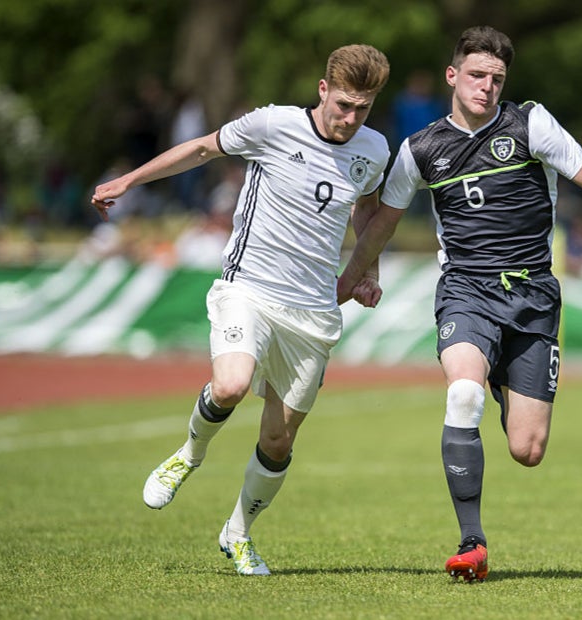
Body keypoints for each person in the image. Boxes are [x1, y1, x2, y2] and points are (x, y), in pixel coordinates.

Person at [337, 26, 582, 582]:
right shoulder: (420, 149)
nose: (487, 87)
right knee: (462, 393)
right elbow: (379, 224)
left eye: (497, 78)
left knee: (527, 449)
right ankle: (472, 541)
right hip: (466, 290)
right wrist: (345, 286)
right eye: (477, 75)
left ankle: (503, 375)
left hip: (534, 297)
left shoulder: (530, 122)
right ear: (453, 76)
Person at [91, 44, 390, 576]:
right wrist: (129, 181)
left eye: (362, 109)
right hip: (248, 287)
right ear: (323, 90)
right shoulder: (272, 125)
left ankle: (238, 533)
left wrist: (367, 270)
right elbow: (202, 149)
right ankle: (189, 453)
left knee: (278, 438)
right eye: (343, 104)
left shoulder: (374, 150)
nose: (350, 118)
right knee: (229, 385)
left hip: (313, 312)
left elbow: (366, 208)